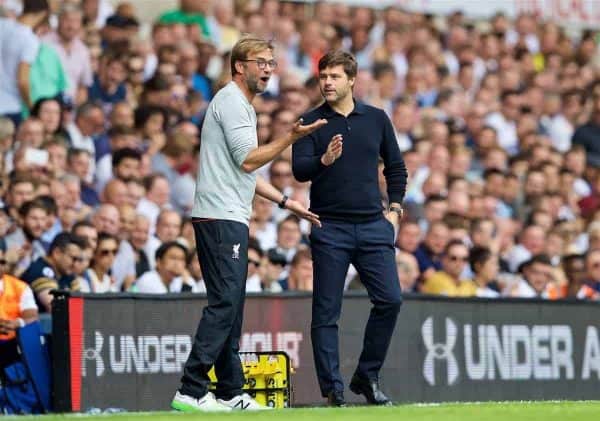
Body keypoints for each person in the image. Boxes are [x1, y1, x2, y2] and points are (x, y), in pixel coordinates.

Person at [173, 36, 325, 413]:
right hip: (221, 216)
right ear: (240, 66)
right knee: (225, 303)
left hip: (226, 214)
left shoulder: (237, 104)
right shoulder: (233, 103)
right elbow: (248, 161)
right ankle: (190, 389)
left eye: (272, 62)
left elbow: (244, 172)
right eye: (262, 62)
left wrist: (287, 202)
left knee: (232, 307)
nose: (269, 69)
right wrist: (289, 137)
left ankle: (229, 391)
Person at [292, 50, 407, 407]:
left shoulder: (376, 118)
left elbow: (396, 167)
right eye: (323, 75)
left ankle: (366, 376)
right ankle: (333, 390)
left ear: (352, 80)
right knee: (326, 311)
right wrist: (324, 160)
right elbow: (300, 170)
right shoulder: (310, 121)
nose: (327, 81)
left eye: (334, 76)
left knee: (390, 300)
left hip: (374, 226)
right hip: (330, 227)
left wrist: (396, 209)